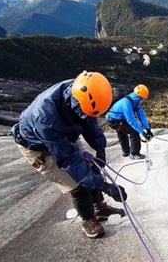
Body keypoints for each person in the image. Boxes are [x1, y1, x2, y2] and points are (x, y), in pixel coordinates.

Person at [11, 71, 126, 239]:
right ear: (78, 103)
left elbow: (89, 122)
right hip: (39, 150)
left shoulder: (83, 90)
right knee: (77, 185)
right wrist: (105, 186)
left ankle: (100, 208)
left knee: (92, 170)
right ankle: (88, 219)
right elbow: (68, 160)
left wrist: (100, 148)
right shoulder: (47, 117)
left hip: (62, 136)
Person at [106, 84, 153, 160]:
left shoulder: (136, 103)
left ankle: (126, 152)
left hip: (119, 119)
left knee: (122, 131)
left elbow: (142, 117)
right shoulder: (126, 103)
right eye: (144, 98)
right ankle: (134, 153)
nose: (144, 100)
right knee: (133, 131)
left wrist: (148, 130)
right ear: (139, 97)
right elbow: (131, 121)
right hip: (113, 121)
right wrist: (143, 133)